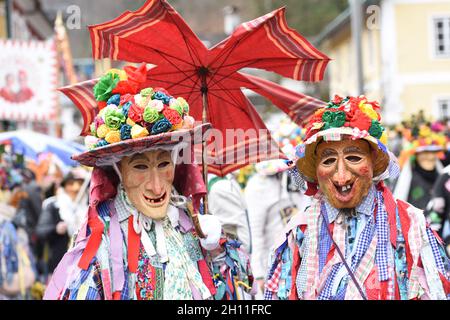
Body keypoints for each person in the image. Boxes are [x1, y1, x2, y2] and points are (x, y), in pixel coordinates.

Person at [44, 65, 253, 300]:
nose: (156, 186)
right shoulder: (100, 240)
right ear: (118, 170)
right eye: (140, 167)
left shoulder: (189, 220)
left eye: (164, 164)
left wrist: (217, 250)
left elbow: (238, 286)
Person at [264, 95, 450, 300]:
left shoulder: (410, 226)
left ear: (374, 164)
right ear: (316, 171)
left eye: (353, 158)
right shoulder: (299, 232)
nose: (341, 175)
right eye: (328, 160)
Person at [245, 117, 310, 298]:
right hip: (271, 267)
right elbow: (255, 234)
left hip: (301, 264)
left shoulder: (299, 182)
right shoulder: (258, 186)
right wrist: (259, 274)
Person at [36, 169, 88, 276]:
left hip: (82, 267)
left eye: (80, 183)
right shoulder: (54, 205)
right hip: (57, 266)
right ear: (64, 186)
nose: (76, 188)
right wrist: (55, 229)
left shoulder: (89, 208)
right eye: (71, 184)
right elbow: (40, 231)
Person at [393, 122, 447, 210]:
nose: (430, 157)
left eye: (433, 152)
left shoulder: (441, 176)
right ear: (416, 156)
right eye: (425, 153)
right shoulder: (408, 177)